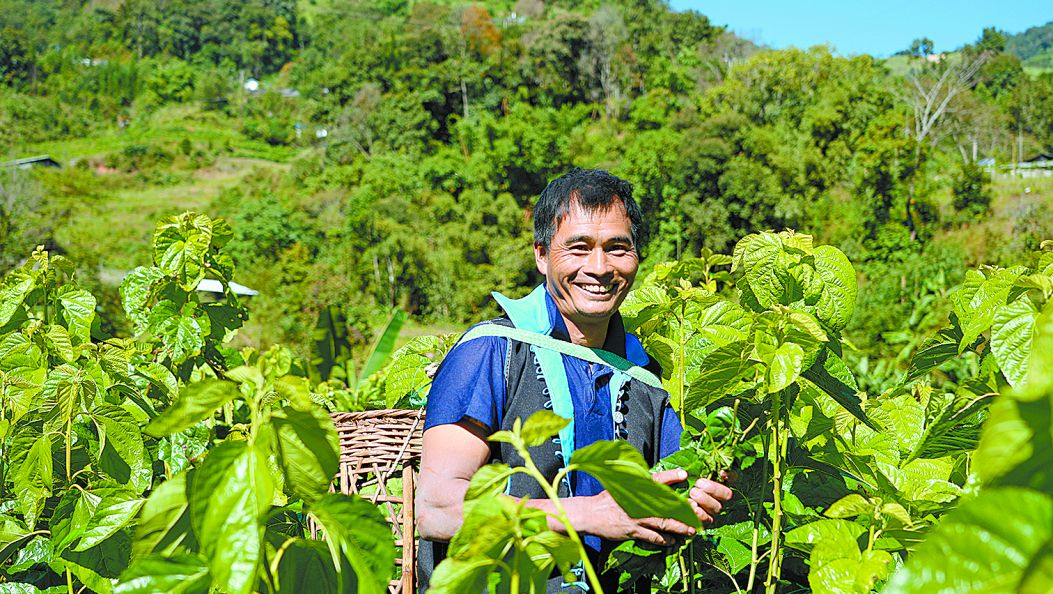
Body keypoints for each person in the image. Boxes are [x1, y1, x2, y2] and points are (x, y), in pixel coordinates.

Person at [415, 168, 732, 592]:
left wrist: (693, 501)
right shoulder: (493, 351)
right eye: (578, 248)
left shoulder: (647, 377)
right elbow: (437, 508)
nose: (599, 268)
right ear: (542, 255)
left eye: (617, 248)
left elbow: (666, 497)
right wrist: (588, 513)